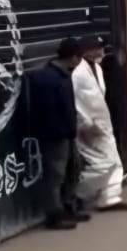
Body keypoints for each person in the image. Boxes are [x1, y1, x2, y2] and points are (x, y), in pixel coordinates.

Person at [26, 38, 95, 230]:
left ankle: (69, 207)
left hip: (67, 133)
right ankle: (55, 216)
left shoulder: (63, 76)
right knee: (55, 175)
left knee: (72, 170)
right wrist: (59, 130)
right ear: (73, 58)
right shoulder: (49, 78)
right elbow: (46, 111)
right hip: (56, 135)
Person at [73, 35, 127, 213]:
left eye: (102, 48)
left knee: (114, 161)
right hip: (87, 126)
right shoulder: (77, 72)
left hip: (103, 122)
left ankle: (110, 197)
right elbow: (74, 100)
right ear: (86, 51)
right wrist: (85, 123)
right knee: (102, 164)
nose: (101, 51)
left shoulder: (98, 68)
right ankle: (77, 192)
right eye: (97, 48)